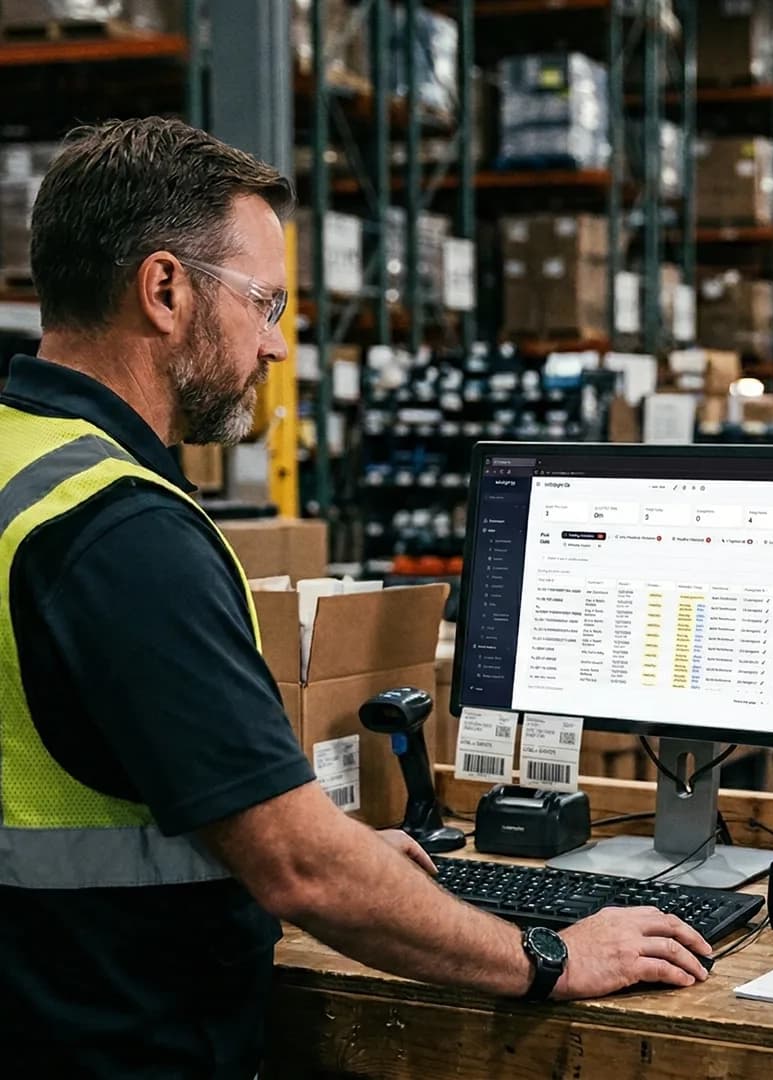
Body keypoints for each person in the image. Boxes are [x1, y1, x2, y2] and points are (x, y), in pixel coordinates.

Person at [0, 117, 711, 1078]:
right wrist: (554, 955)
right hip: (113, 1040)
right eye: (264, 303)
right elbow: (298, 870)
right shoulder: (122, 533)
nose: (275, 347)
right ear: (165, 290)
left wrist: (347, 848)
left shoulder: (23, 464)